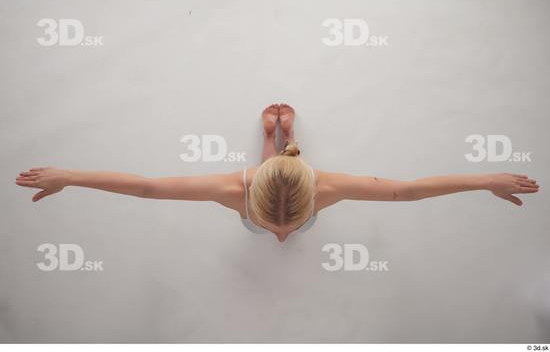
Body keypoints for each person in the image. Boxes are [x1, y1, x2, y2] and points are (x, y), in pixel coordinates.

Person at [15, 104, 540, 242]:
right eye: (273, 225)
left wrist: (485, 180)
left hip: (273, 178)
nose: (282, 232)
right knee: (273, 170)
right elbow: (144, 187)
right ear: (250, 190)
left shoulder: (323, 188)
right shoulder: (235, 189)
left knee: (276, 172)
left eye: (285, 224)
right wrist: (69, 176)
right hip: (266, 178)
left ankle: (279, 135)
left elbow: (411, 191)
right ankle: (280, 135)